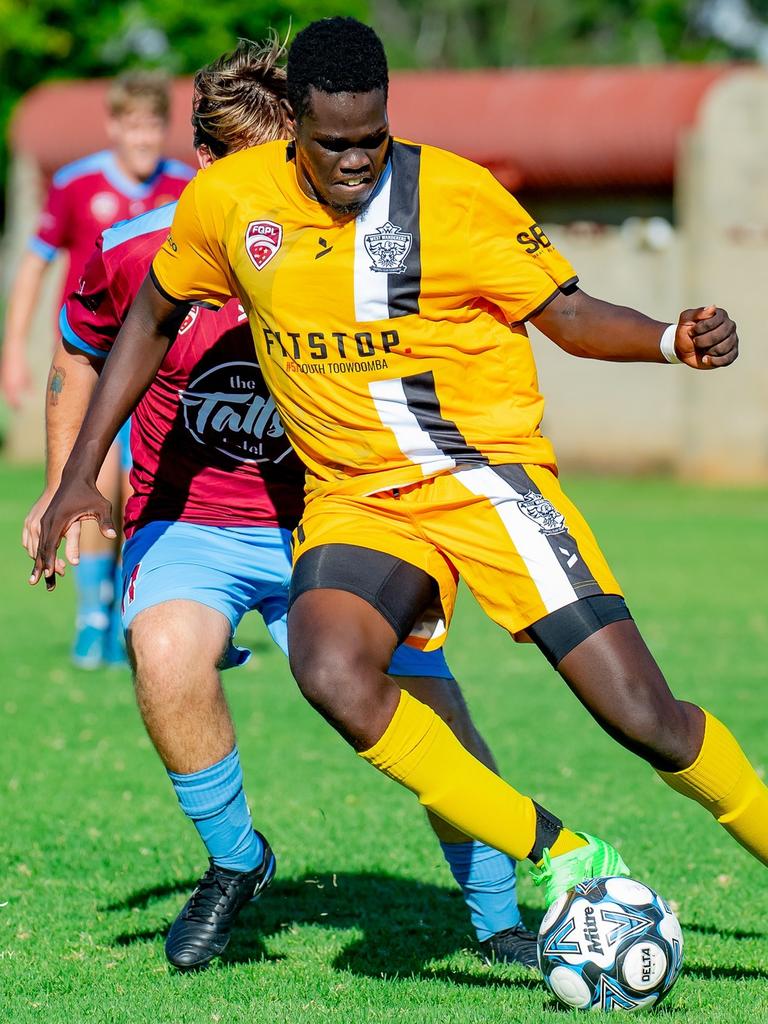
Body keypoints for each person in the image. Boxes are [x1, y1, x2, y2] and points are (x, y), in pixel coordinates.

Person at [34, 15, 768, 931]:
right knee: (331, 668)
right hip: (355, 501)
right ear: (294, 124)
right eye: (332, 143)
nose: (354, 162)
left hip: (482, 484)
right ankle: (563, 852)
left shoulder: (454, 197)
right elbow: (145, 316)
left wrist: (669, 338)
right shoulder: (232, 200)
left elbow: (570, 316)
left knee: (643, 718)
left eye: (372, 140)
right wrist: (77, 472)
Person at [24, 39, 538, 971]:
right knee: (166, 650)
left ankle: (497, 913)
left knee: (428, 700)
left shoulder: (363, 246)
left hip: (341, 516)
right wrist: (67, 481)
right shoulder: (134, 251)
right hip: (193, 523)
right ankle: (235, 863)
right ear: (210, 165)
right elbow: (78, 351)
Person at [5, 70, 194, 668]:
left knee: (150, 483)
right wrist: (13, 349)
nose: (143, 138)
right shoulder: (75, 185)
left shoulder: (186, 185)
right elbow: (35, 265)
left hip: (164, 364)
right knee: (99, 476)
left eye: (153, 126)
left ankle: (129, 609)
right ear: (114, 126)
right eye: (132, 125)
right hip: (93, 359)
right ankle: (93, 617)